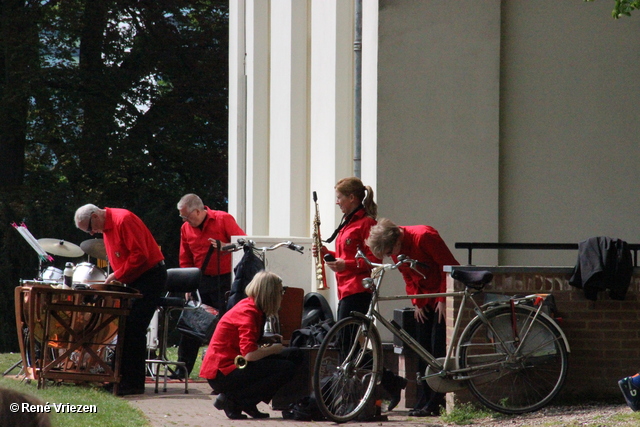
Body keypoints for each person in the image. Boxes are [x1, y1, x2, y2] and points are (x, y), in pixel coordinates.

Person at [313, 177, 407, 411]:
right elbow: (345, 253)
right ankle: (388, 383)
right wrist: (326, 252)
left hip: (359, 289)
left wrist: (348, 265)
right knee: (347, 346)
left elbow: (374, 260)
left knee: (347, 346)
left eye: (340, 197)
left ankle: (382, 385)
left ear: (352, 198)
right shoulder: (347, 222)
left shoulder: (366, 223)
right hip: (345, 289)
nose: (337, 202)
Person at [366, 217, 459, 417]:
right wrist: (416, 301)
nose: (392, 256)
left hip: (440, 296)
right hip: (424, 298)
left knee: (437, 348)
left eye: (390, 252)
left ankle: (436, 401)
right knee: (422, 349)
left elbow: (449, 266)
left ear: (397, 241)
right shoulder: (395, 247)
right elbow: (407, 275)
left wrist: (443, 299)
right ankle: (424, 399)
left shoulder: (424, 237)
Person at [74, 204, 167, 396]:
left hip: (150, 277)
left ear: (95, 216)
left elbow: (140, 255)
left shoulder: (123, 219)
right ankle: (120, 378)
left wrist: (117, 274)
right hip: (135, 279)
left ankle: (132, 383)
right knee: (126, 328)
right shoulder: (107, 228)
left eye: (90, 228)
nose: (92, 234)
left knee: (134, 328)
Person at [200, 271, 300, 419]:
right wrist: (274, 349)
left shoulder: (250, 306)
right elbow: (249, 355)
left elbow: (243, 341)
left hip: (231, 365)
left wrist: (266, 339)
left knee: (294, 354)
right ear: (270, 293)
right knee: (286, 368)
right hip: (224, 372)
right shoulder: (248, 313)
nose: (282, 295)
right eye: (281, 291)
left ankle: (246, 401)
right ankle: (235, 400)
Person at [175, 193, 246, 378]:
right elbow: (185, 258)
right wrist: (187, 286)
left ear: (198, 211)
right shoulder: (185, 228)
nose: (184, 220)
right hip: (200, 281)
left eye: (186, 216)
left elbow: (243, 243)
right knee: (190, 326)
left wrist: (225, 246)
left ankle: (222, 373)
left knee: (224, 328)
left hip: (224, 281)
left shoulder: (223, 219)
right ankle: (182, 370)